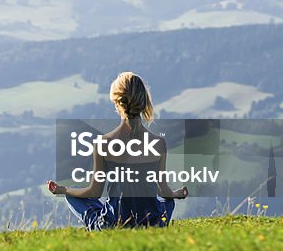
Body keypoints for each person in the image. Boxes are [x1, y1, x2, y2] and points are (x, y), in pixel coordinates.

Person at [47, 72, 188, 230]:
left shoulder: (103, 143)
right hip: (153, 223)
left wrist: (62, 189)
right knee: (167, 201)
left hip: (114, 224)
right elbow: (164, 190)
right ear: (144, 102)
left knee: (73, 195)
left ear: (116, 103)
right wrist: (176, 194)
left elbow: (94, 192)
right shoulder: (158, 144)